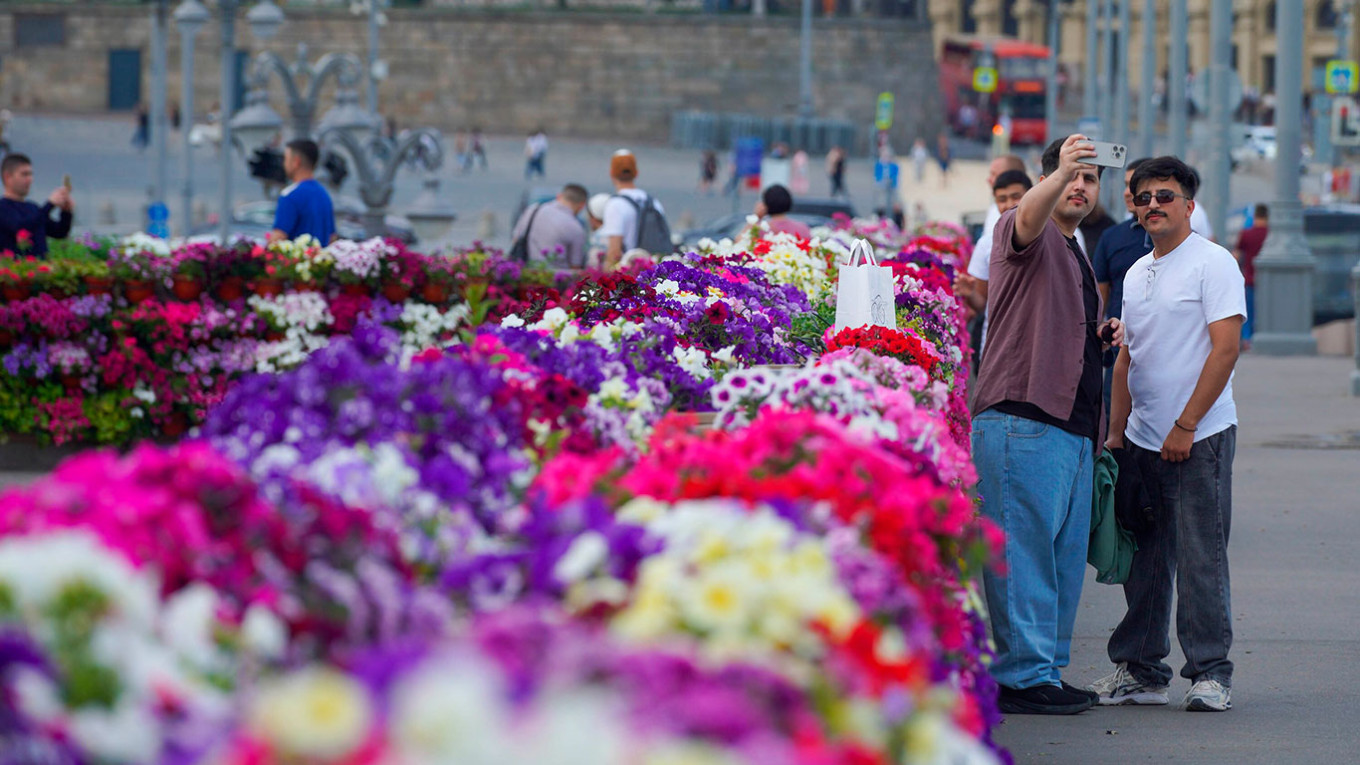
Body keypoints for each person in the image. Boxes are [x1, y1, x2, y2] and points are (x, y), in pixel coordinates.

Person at [970, 134, 1122, 716]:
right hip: (1022, 418)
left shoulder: (1074, 247)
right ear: (1047, 179)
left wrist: (1100, 333)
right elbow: (1026, 216)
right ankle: (1020, 676)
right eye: (1070, 175)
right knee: (1024, 556)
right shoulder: (1021, 227)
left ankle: (1045, 671)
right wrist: (1059, 173)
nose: (1080, 187)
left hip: (1071, 426)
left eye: (1091, 179)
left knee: (1057, 562)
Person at [1088, 156, 1246, 713]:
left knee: (1202, 559)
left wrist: (1186, 425)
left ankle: (1210, 673)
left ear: (1189, 205)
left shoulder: (1213, 263)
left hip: (1199, 438)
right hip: (1140, 438)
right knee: (1143, 561)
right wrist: (1116, 434)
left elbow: (1225, 350)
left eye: (1165, 196)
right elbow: (1128, 358)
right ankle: (1141, 670)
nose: (1153, 205)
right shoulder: (1136, 272)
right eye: (1144, 197)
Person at [1093, 158, 1154, 409]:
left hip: (1163, 350)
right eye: (1126, 184)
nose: (1128, 192)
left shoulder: (1178, 239)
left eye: (1135, 185)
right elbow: (1100, 296)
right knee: (1114, 417)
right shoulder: (1112, 237)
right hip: (1121, 348)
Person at [954, 154, 1028, 355]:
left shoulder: (1054, 237)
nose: (1009, 204)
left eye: (1016, 196)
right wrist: (970, 293)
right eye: (1001, 199)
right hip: (995, 349)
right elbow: (981, 302)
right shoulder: (987, 242)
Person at [599, 150, 667, 269]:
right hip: (653, 271)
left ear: (611, 173)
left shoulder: (615, 204)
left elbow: (614, 251)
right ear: (636, 173)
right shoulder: (653, 202)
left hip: (629, 271)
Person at [0, 154, 73, 258]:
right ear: (7, 177)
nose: (30, 179)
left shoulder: (32, 208)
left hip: (41, 268)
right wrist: (50, 204)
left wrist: (66, 212)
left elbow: (59, 232)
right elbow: (21, 228)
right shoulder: (3, 208)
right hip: (16, 267)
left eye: (30, 174)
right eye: (24, 174)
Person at [269, 139, 335, 244]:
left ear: (296, 161)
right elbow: (332, 237)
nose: (284, 164)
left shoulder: (289, 195)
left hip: (297, 254)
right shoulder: (324, 195)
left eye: (286, 159)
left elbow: (278, 238)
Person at [509, 183, 589, 269]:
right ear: (582, 205)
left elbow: (516, 239)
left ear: (559, 196)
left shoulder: (533, 210)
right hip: (558, 275)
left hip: (528, 272)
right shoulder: (576, 228)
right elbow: (575, 265)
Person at [1233, 203, 1268, 347]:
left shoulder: (1246, 234)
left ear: (1255, 216)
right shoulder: (1271, 235)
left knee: (1248, 311)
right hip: (1268, 282)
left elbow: (1236, 255)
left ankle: (1247, 340)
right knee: (1266, 312)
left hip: (1249, 278)